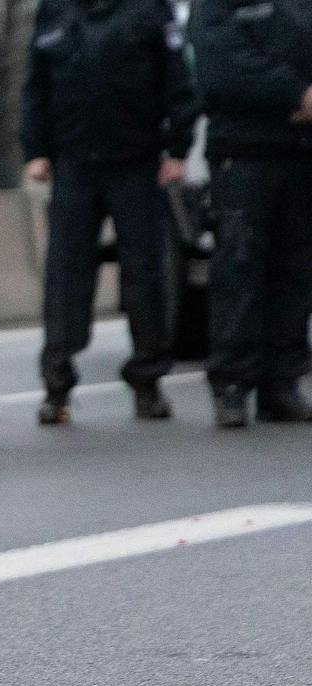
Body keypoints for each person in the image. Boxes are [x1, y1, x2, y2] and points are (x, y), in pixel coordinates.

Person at [22, 0, 200, 425]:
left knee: (145, 274)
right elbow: (36, 87)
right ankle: (57, 385)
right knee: (65, 277)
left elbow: (178, 81)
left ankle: (148, 382)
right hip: (74, 164)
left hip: (136, 161)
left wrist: (178, 147)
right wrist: (35, 150)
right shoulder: (55, 12)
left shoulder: (148, 11)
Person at [189, 0, 312, 427]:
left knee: (295, 272)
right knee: (238, 268)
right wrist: (297, 93)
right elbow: (223, 69)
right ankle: (232, 385)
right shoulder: (216, 7)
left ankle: (282, 383)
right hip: (242, 154)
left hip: (299, 150)